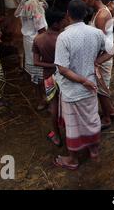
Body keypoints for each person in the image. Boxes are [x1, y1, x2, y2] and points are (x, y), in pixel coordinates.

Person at [53, 0, 114, 170]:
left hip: (72, 89)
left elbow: (62, 68)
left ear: (68, 14)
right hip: (90, 87)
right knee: (91, 118)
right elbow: (112, 50)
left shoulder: (64, 37)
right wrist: (96, 62)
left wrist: (82, 80)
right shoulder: (95, 33)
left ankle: (73, 159)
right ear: (85, 14)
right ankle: (94, 150)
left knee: (73, 124)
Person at [80, 0, 114, 129]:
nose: (83, 2)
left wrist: (93, 60)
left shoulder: (101, 16)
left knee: (101, 89)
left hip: (102, 57)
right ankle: (111, 111)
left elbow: (99, 42)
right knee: (101, 87)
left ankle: (107, 117)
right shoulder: (99, 12)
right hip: (101, 56)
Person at [33, 9, 67, 147]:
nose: (65, 23)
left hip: (48, 77)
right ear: (56, 23)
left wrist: (50, 65)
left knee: (53, 106)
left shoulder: (38, 39)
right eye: (62, 21)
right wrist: (57, 65)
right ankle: (71, 133)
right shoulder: (63, 38)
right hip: (64, 76)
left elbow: (36, 62)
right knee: (67, 105)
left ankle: (57, 136)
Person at [15, 0, 49, 110]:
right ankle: (48, 99)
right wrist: (47, 41)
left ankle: (40, 100)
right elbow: (40, 26)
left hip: (28, 41)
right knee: (43, 71)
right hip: (38, 40)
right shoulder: (34, 4)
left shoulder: (24, 2)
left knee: (34, 72)